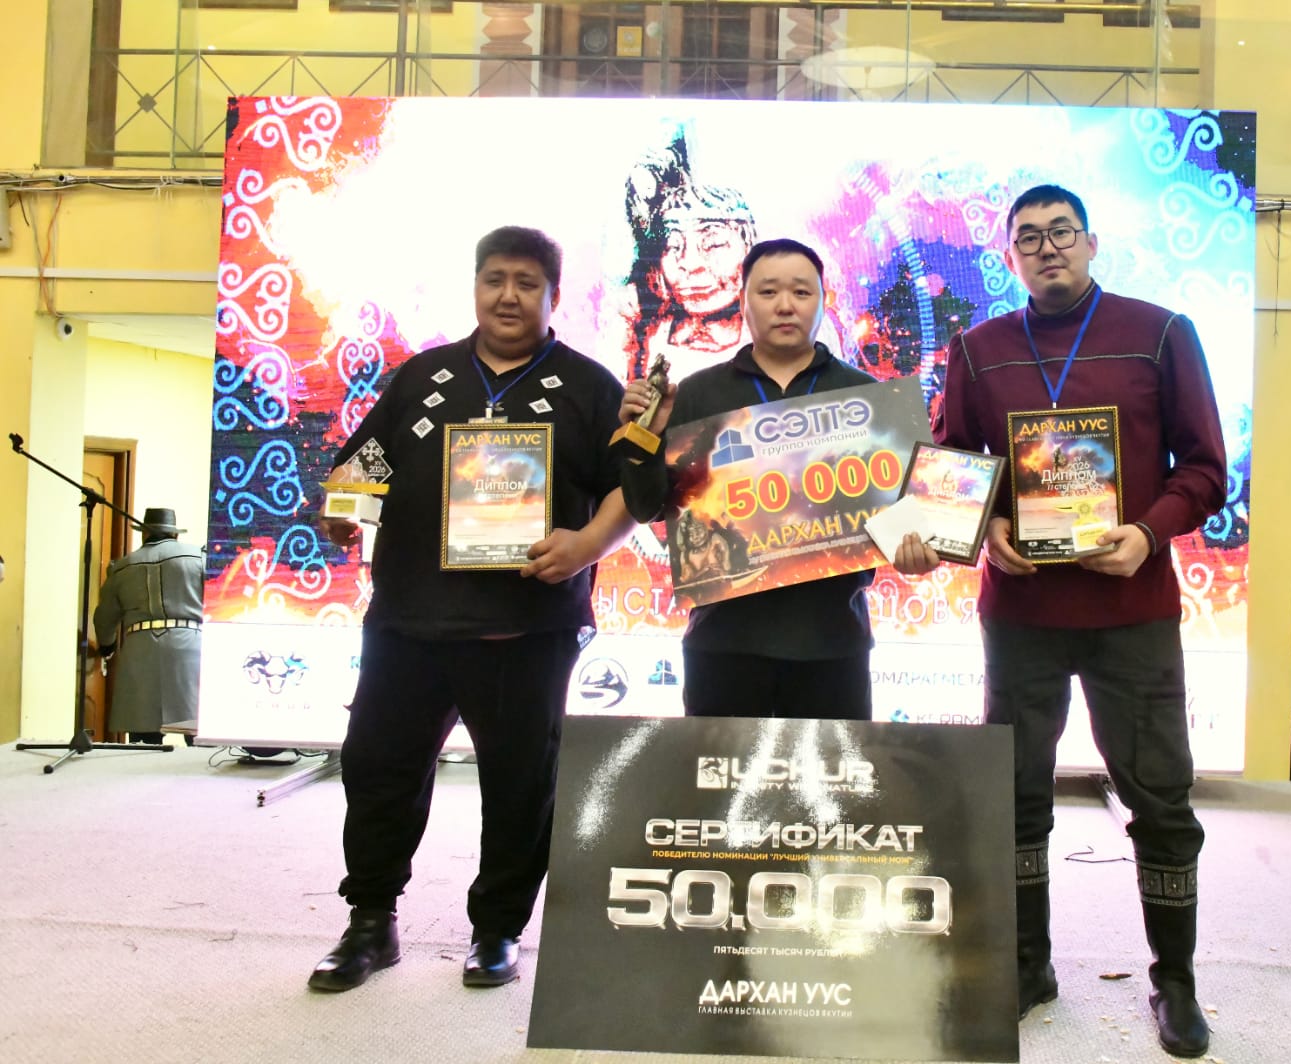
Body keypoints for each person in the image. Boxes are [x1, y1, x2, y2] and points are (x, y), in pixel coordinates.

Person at [934, 185, 1226, 1057]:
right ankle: (1028, 967)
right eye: (1028, 237)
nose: (1047, 246)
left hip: (1132, 609)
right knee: (1015, 796)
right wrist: (985, 529)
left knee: (1161, 798)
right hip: (1022, 611)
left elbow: (1205, 469)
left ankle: (1177, 980)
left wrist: (1148, 532)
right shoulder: (978, 349)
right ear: (1010, 257)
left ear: (1091, 241)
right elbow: (953, 467)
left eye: (1061, 231)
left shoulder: (1160, 332)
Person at [307, 226, 635, 994]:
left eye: (527, 282)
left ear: (554, 295)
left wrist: (587, 544)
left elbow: (635, 488)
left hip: (527, 628)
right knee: (377, 769)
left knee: (521, 784)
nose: (508, 296)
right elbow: (362, 471)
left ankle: (497, 931)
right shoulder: (421, 377)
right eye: (495, 279)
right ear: (476, 286)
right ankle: (370, 922)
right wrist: (342, 511)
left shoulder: (590, 387)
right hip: (408, 622)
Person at [617, 237, 938, 720]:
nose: (785, 305)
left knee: (827, 772)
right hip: (722, 644)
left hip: (833, 644)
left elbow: (908, 517)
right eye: (768, 292)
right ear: (743, 301)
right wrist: (642, 437)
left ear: (825, 300)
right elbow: (647, 508)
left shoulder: (866, 396)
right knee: (722, 772)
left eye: (801, 292)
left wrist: (917, 549)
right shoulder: (698, 393)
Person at [622, 130, 758, 381]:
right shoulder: (647, 340)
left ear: (749, 245)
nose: (690, 264)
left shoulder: (781, 335)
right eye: (673, 246)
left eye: (713, 244)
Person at [91, 507, 204, 744]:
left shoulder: (122, 567)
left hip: (140, 650)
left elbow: (104, 617)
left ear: (144, 533)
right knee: (199, 733)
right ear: (175, 534)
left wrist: (107, 646)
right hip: (190, 646)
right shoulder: (198, 558)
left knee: (143, 739)